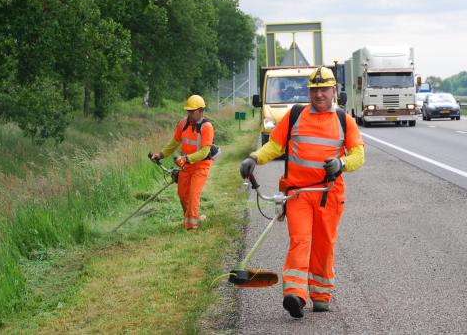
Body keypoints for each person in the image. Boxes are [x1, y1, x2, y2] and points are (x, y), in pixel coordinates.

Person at [239, 67, 364, 318]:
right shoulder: (295, 115)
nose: (319, 95)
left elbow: (358, 155)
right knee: (300, 240)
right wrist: (254, 158)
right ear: (309, 91)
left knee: (323, 244)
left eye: (324, 90)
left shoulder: (343, 120)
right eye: (315, 90)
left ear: (333, 91)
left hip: (329, 193)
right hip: (297, 194)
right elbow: (274, 145)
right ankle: (295, 294)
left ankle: (321, 295)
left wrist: (342, 164)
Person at [150, 95, 214, 231]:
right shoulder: (183, 124)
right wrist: (160, 155)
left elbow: (204, 152)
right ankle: (192, 218)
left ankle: (192, 227)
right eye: (188, 111)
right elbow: (174, 143)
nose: (189, 114)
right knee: (182, 194)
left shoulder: (207, 127)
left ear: (201, 111)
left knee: (193, 194)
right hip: (185, 166)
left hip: (201, 166)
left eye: (192, 112)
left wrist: (185, 158)